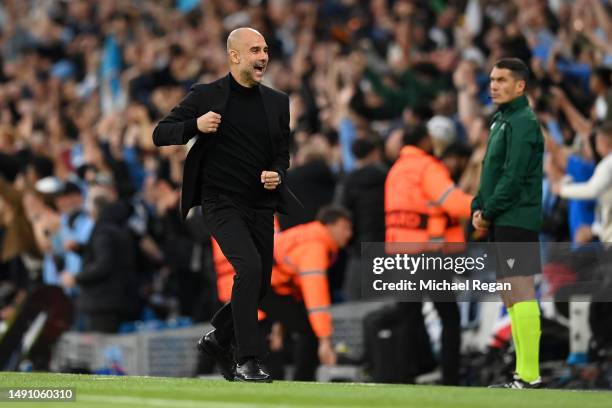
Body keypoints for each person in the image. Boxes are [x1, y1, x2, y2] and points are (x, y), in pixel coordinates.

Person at [152, 27, 294, 382]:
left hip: (260, 204)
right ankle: (247, 359)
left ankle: (218, 338)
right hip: (220, 202)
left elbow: (282, 154)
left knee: (259, 283)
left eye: (265, 50)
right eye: (255, 50)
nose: (263, 57)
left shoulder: (278, 102)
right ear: (234, 56)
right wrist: (194, 125)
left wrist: (276, 173)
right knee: (248, 269)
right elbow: (159, 133)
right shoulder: (206, 95)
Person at [472, 58, 545, 389]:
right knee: (509, 294)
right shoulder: (502, 119)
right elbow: (492, 170)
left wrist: (488, 211)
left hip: (516, 217)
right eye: (491, 79)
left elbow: (514, 176)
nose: (494, 85)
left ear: (520, 85)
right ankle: (522, 374)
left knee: (520, 290)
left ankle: (529, 375)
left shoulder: (524, 122)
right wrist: (479, 205)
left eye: (502, 80)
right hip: (501, 217)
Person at [384, 124, 473, 385]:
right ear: (424, 140)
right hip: (428, 255)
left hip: (399, 253)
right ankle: (450, 378)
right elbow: (453, 202)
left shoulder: (395, 171)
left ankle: (403, 377)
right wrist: (482, 207)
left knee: (407, 317)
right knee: (449, 317)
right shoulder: (428, 167)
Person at [260, 206, 353, 380]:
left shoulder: (309, 235)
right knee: (310, 329)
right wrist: (325, 340)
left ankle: (300, 378)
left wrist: (280, 322)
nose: (349, 234)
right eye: (345, 228)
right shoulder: (315, 247)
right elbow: (316, 297)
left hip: (262, 286)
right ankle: (303, 379)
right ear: (330, 226)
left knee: (302, 327)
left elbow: (290, 281)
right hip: (262, 288)